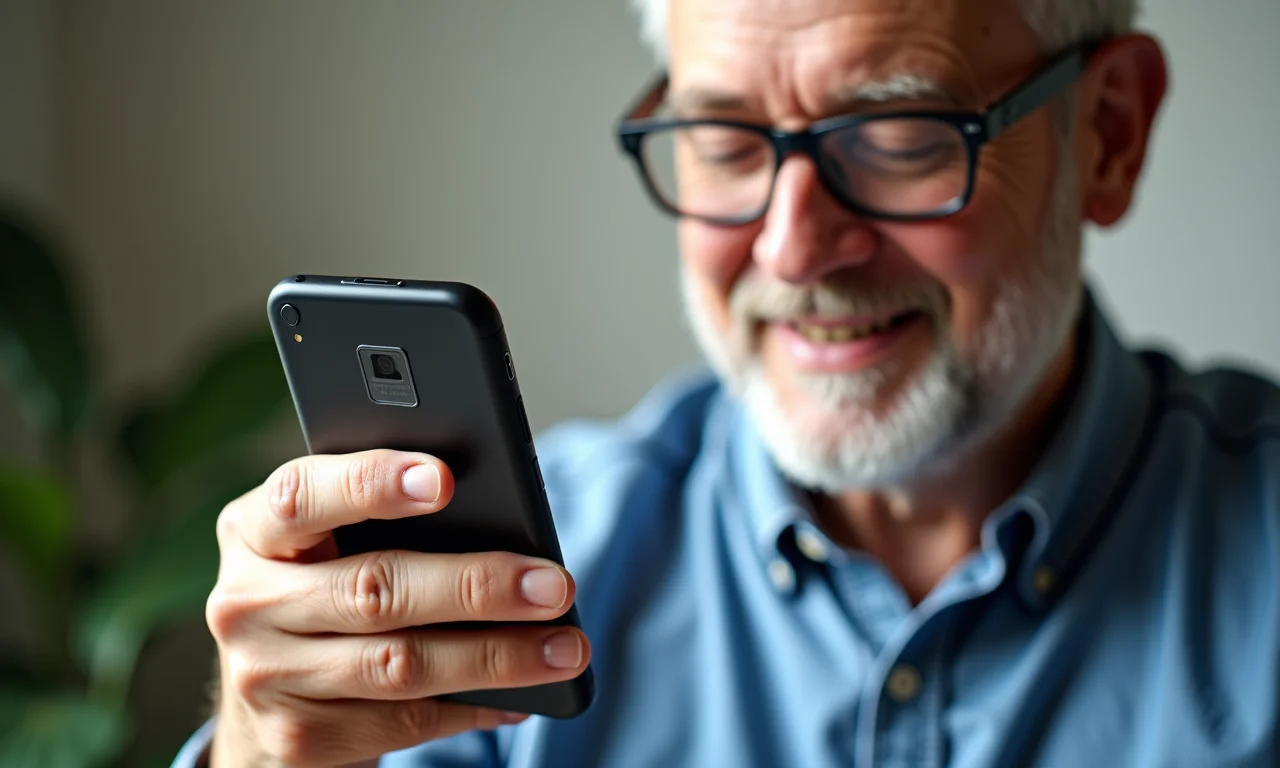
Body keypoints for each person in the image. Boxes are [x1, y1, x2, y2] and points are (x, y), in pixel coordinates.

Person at [174, 0, 1280, 765]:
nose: (792, 249)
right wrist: (267, 758)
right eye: (724, 139)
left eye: (894, 134)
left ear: (1108, 134)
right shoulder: (499, 585)